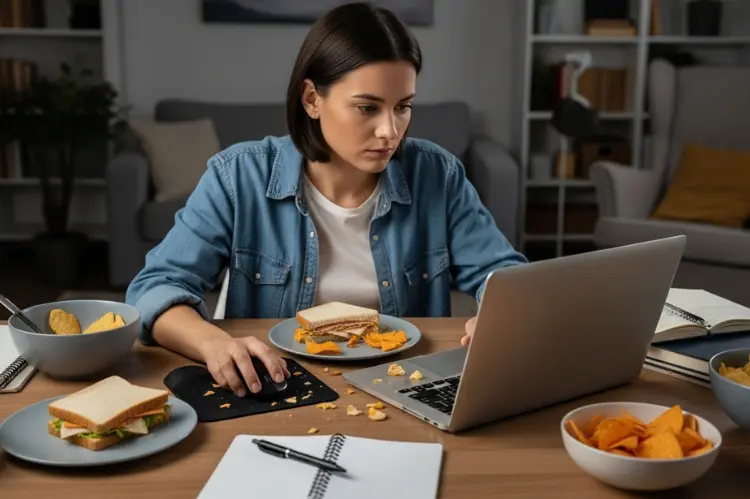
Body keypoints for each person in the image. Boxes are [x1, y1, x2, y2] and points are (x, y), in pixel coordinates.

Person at [126, 1, 527, 398]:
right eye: (367, 107)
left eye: (403, 107)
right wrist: (213, 343)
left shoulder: (438, 175)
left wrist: (502, 316)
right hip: (275, 387)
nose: (390, 131)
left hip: (405, 385)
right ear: (312, 99)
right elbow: (156, 289)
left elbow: (504, 276)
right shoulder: (237, 176)